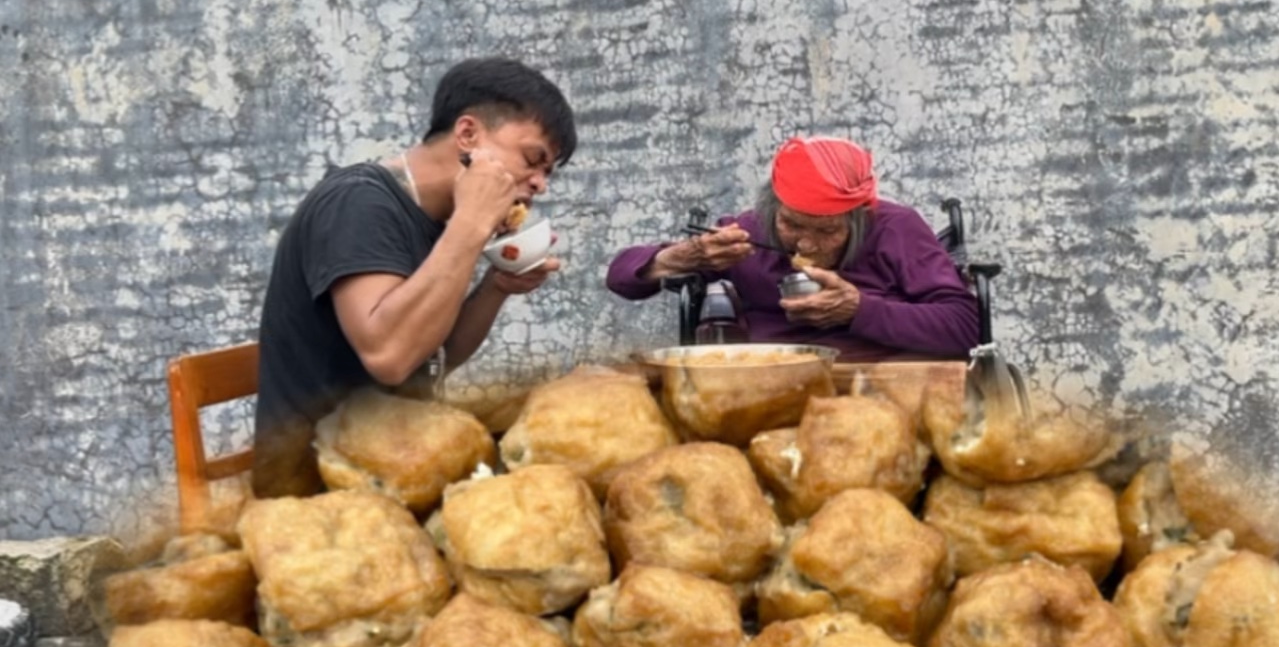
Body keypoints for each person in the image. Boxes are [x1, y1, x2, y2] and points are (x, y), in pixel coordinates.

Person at [253, 57, 577, 497]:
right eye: (531, 159)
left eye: (547, 172)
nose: (540, 184)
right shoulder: (359, 204)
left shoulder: (437, 221)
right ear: (468, 135)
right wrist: (471, 225)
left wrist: (498, 285)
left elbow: (433, 355)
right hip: (320, 496)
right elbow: (390, 354)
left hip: (400, 468)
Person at [606, 136, 980, 361]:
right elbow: (620, 278)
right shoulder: (747, 233)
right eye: (792, 225)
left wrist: (859, 310)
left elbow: (967, 327)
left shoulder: (896, 229)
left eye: (827, 230)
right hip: (772, 385)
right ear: (771, 211)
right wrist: (681, 257)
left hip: (883, 381)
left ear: (860, 218)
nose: (805, 243)